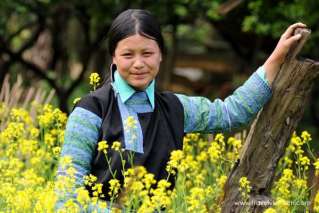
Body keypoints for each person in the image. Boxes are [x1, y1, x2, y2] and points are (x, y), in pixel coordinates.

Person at [56, 8, 306, 210]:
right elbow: (66, 199)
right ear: (113, 58)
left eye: (147, 53)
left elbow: (232, 113)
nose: (139, 63)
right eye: (127, 55)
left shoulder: (175, 109)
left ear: (161, 55)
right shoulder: (90, 112)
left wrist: (277, 56)